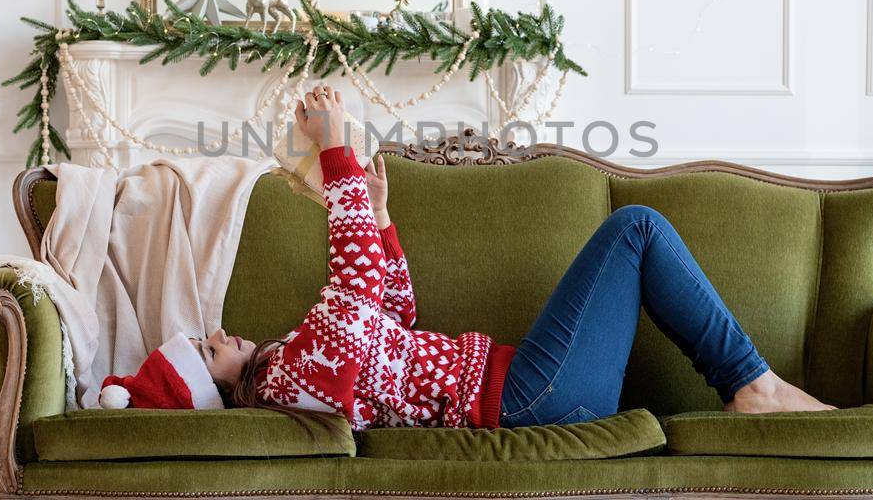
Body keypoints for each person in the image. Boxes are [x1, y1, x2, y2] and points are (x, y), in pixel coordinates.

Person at [110, 86, 831, 428]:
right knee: (636, 227)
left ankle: (748, 383)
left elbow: (393, 317)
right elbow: (357, 293)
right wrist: (335, 150)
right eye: (207, 353)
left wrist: (384, 224)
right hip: (529, 399)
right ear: (215, 393)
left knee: (638, 232)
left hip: (537, 389)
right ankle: (748, 383)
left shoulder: (294, 358)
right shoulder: (292, 380)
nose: (221, 334)